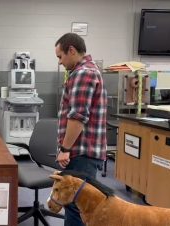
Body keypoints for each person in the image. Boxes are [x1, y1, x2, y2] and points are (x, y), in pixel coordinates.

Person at [54, 33, 107, 226]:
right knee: (78, 205)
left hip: (81, 153)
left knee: (75, 206)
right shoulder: (87, 71)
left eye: (60, 56)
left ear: (72, 50)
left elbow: (77, 117)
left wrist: (65, 149)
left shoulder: (84, 73)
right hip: (84, 152)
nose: (60, 62)